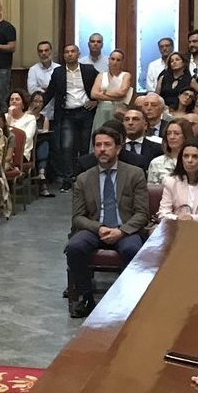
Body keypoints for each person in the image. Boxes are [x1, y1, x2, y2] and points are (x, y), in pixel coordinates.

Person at [65, 127, 149, 318]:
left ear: (118, 148)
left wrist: (122, 231)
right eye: (98, 145)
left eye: (107, 145)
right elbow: (78, 216)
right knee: (75, 247)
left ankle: (129, 300)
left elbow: (142, 213)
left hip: (125, 229)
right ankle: (86, 297)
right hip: (96, 228)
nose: (102, 149)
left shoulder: (134, 174)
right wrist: (99, 228)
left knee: (132, 250)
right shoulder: (84, 179)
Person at [43, 44, 99, 193]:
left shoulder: (89, 70)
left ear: (78, 54)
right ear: (63, 55)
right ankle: (67, 179)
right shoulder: (58, 72)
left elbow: (100, 86)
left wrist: (96, 101)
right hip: (67, 113)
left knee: (85, 147)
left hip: (86, 112)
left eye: (72, 51)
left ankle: (84, 180)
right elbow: (49, 93)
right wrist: (33, 108)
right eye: (66, 52)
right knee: (67, 147)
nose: (69, 54)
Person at [156, 139, 198, 224]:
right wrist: (177, 218)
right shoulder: (171, 182)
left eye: (195, 156)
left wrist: (192, 218)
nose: (189, 160)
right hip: (175, 229)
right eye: (186, 156)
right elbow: (163, 212)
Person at [89, 50, 134, 140]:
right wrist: (116, 96)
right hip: (102, 111)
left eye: (118, 60)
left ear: (122, 62)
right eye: (112, 59)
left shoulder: (126, 75)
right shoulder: (101, 75)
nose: (115, 62)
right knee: (100, 135)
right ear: (109, 60)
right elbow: (93, 94)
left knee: (116, 136)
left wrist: (104, 92)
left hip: (118, 111)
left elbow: (122, 92)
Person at [149, 118, 193, 184]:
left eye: (177, 133)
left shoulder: (195, 161)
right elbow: (152, 191)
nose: (171, 137)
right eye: (168, 133)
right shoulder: (156, 163)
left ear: (186, 136)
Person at [27, 41, 58, 121]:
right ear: (38, 53)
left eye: (46, 50)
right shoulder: (33, 70)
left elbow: (61, 89)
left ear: (51, 51)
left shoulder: (59, 68)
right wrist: (51, 89)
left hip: (56, 110)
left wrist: (44, 88)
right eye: (41, 51)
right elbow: (32, 90)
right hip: (40, 112)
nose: (44, 53)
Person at [5, 89, 38, 162]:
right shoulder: (5, 117)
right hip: (4, 151)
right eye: (11, 99)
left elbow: (27, 138)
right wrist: (9, 116)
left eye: (17, 99)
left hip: (21, 152)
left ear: (23, 104)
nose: (14, 101)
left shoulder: (30, 119)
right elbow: (1, 135)